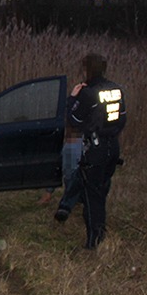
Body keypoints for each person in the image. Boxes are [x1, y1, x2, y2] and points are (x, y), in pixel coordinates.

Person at [54, 53, 126, 250]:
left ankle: (94, 240)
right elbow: (122, 118)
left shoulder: (88, 93)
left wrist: (72, 98)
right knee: (100, 189)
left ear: (88, 69)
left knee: (92, 195)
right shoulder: (116, 89)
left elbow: (74, 120)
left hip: (95, 148)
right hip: (113, 146)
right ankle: (98, 230)